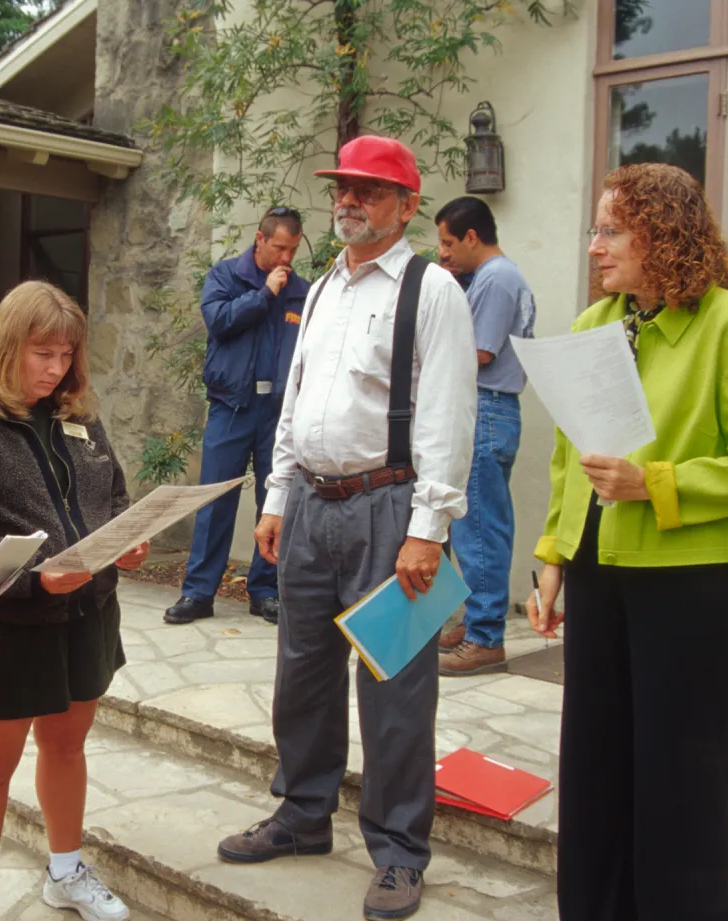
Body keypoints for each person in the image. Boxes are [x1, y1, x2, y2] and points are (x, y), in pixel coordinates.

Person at [527, 163, 728, 920]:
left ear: (664, 234)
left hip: (690, 581)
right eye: (595, 228)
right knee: (595, 765)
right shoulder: (593, 323)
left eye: (611, 230)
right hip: (598, 569)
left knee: (682, 775)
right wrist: (554, 552)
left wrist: (657, 484)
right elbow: (568, 455)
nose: (594, 246)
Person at [215, 135, 477, 921]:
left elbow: (449, 414)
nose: (350, 201)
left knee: (396, 684)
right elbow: (296, 399)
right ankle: (303, 813)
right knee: (302, 671)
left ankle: (398, 850)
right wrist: (276, 497)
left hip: (389, 508)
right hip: (310, 504)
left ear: (407, 204)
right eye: (343, 188)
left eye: (370, 189)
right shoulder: (325, 285)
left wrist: (429, 528)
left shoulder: (432, 290)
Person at [0, 281, 150, 921]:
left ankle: (65, 871)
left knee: (67, 747)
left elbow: (114, 495)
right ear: (7, 346)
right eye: (42, 353)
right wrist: (33, 578)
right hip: (8, 627)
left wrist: (127, 540)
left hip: (87, 614)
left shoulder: (79, 416)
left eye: (66, 354)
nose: (56, 369)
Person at [164, 207, 309, 627]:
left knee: (274, 500)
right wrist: (263, 294)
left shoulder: (302, 291)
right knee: (214, 498)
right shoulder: (225, 276)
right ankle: (198, 592)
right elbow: (219, 321)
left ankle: (266, 591)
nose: (286, 258)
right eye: (279, 247)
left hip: (278, 413)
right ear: (260, 239)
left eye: (293, 249)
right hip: (231, 405)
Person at [433, 196, 536, 676]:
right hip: (489, 412)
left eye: (448, 242)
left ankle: (485, 639)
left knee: (478, 528)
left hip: (486, 410)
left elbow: (478, 352)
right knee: (473, 524)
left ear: (472, 237)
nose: (443, 252)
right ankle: (477, 623)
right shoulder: (491, 277)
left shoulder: (496, 278)